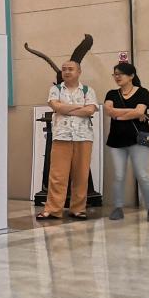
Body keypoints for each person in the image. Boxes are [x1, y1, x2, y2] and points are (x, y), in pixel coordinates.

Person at [37, 60, 97, 220]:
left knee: (81, 175)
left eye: (70, 69)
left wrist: (66, 108)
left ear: (79, 72)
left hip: (83, 137)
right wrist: (80, 108)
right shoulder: (55, 89)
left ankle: (78, 209)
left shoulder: (88, 90)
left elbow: (90, 110)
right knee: (57, 175)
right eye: (64, 69)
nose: (67, 72)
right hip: (61, 136)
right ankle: (53, 209)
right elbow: (56, 107)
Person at [104, 62, 149, 222]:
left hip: (138, 140)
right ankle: (118, 208)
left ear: (131, 76)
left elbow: (139, 111)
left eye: (120, 74)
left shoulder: (143, 92)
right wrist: (132, 112)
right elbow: (108, 110)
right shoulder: (112, 94)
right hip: (116, 141)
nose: (117, 77)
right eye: (115, 74)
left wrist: (119, 116)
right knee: (119, 176)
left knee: (142, 175)